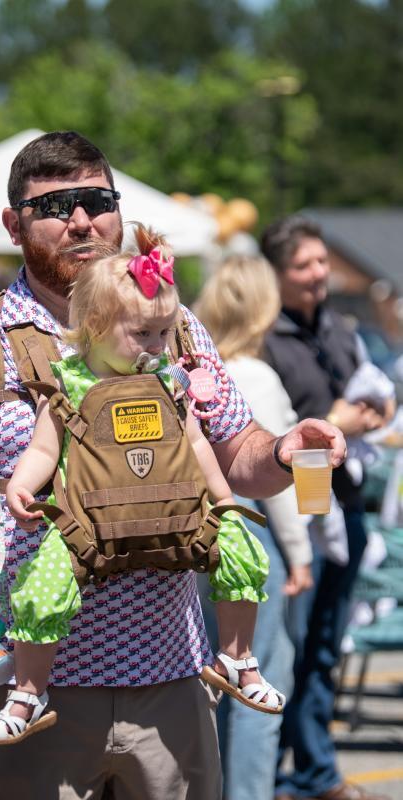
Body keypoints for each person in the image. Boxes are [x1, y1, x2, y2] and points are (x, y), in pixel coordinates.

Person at [0, 132, 345, 800]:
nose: (81, 219)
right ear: (14, 225)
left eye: (96, 200)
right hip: (24, 691)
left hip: (170, 685)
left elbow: (239, 454)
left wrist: (288, 449)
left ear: (118, 212)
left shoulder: (174, 327)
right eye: (55, 206)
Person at [0, 228, 283, 745]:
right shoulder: (68, 385)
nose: (157, 345)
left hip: (175, 518)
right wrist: (20, 488)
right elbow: (45, 450)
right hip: (86, 528)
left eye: (164, 333)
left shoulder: (170, 381)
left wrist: (224, 503)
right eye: (143, 334)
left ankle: (236, 657)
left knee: (243, 550)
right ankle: (28, 692)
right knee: (41, 585)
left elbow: (199, 444)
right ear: (93, 326)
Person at [261, 215, 391, 800]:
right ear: (278, 275)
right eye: (304, 264)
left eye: (321, 261)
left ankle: (309, 766)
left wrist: (374, 414)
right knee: (291, 652)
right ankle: (293, 768)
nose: (318, 273)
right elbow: (272, 432)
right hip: (297, 516)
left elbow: (371, 397)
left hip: (348, 506)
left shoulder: (339, 327)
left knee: (324, 648)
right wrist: (337, 421)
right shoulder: (267, 341)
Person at [193, 254, 313, 800]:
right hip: (251, 537)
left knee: (214, 681)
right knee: (263, 683)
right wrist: (300, 553)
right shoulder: (258, 377)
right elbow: (278, 478)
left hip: (200, 539)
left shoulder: (202, 370)